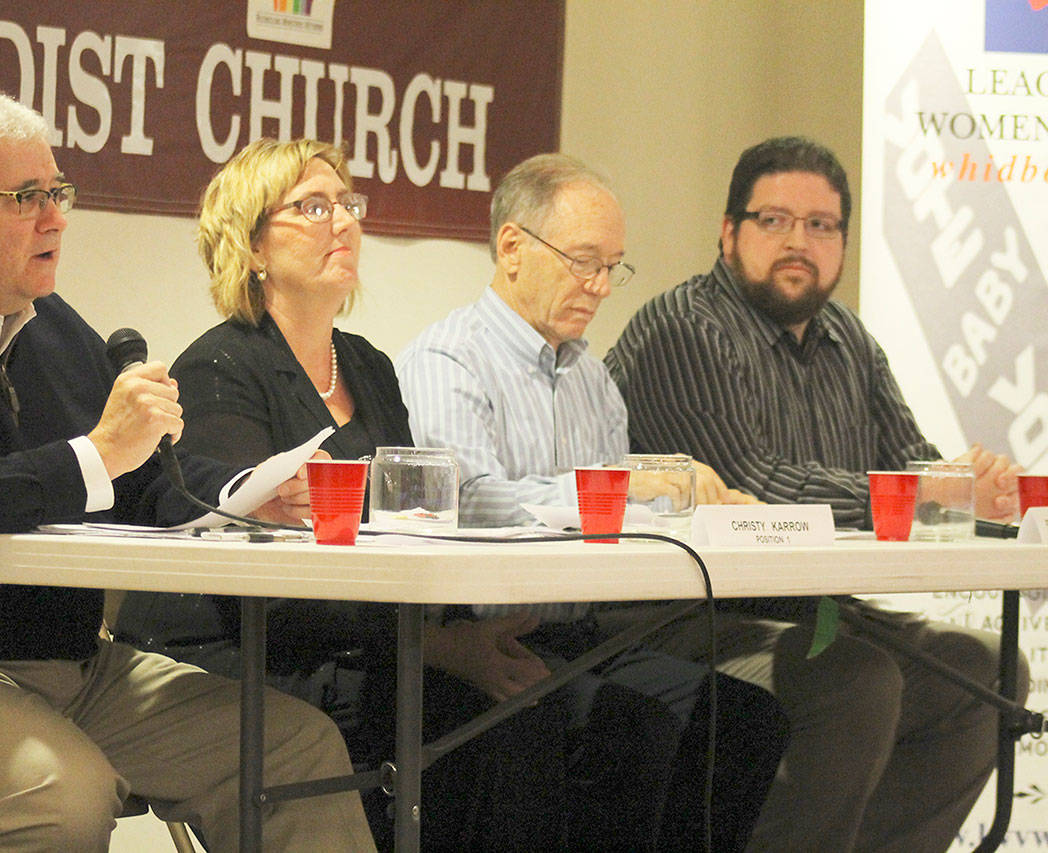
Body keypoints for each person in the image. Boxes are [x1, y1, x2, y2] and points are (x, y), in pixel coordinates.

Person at [0, 89, 374, 853]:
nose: (55, 216)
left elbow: (141, 481)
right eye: (26, 197)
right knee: (58, 791)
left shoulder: (54, 329)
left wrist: (246, 495)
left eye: (58, 191)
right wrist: (91, 455)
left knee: (292, 749)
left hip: (55, 664)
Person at [605, 135, 1029, 851]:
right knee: (855, 682)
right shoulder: (683, 329)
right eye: (773, 220)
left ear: (843, 241)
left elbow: (910, 470)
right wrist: (924, 487)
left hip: (823, 613)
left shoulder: (848, 340)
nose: (798, 241)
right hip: (684, 619)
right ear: (728, 231)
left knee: (986, 673)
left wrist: (968, 494)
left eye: (821, 225)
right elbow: (756, 482)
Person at [394, 152, 789, 851]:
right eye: (584, 261)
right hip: (482, 634)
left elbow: (621, 523)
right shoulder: (448, 360)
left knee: (746, 720)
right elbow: (469, 501)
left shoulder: (591, 378)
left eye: (614, 265)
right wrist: (625, 486)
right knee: (629, 724)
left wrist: (704, 506)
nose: (602, 286)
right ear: (512, 247)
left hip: (588, 629)